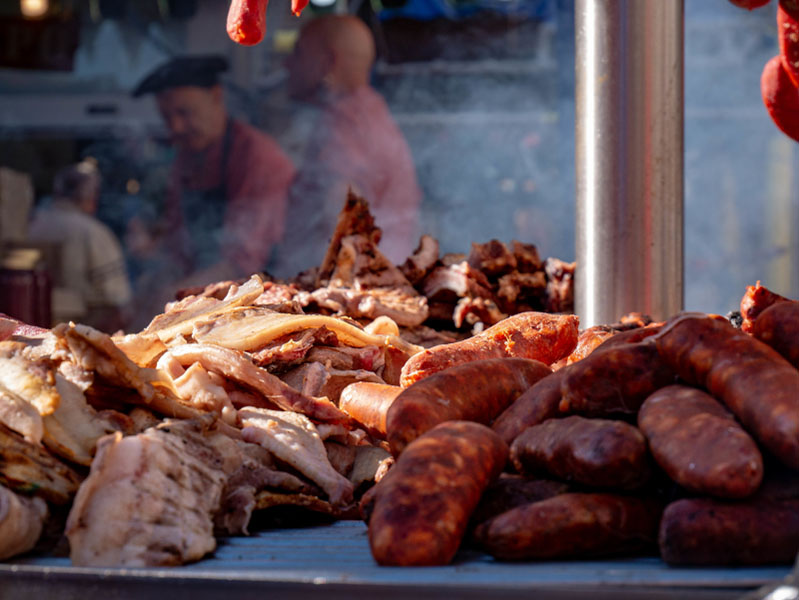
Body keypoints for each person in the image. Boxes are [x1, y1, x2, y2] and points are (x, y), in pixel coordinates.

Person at [132, 55, 296, 288]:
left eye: (185, 113)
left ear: (216, 96)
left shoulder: (257, 157)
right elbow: (179, 245)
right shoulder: (186, 158)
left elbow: (243, 261)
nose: (176, 127)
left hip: (267, 294)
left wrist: (177, 295)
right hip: (208, 286)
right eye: (167, 117)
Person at [277, 15, 423, 276]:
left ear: (329, 62)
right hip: (381, 276)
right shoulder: (370, 110)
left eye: (298, 53)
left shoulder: (342, 121)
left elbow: (342, 209)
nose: (287, 64)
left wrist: (322, 287)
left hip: (356, 284)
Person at [27, 161, 133, 332]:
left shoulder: (33, 225)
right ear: (92, 196)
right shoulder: (92, 232)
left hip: (30, 328)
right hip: (82, 332)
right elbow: (117, 300)